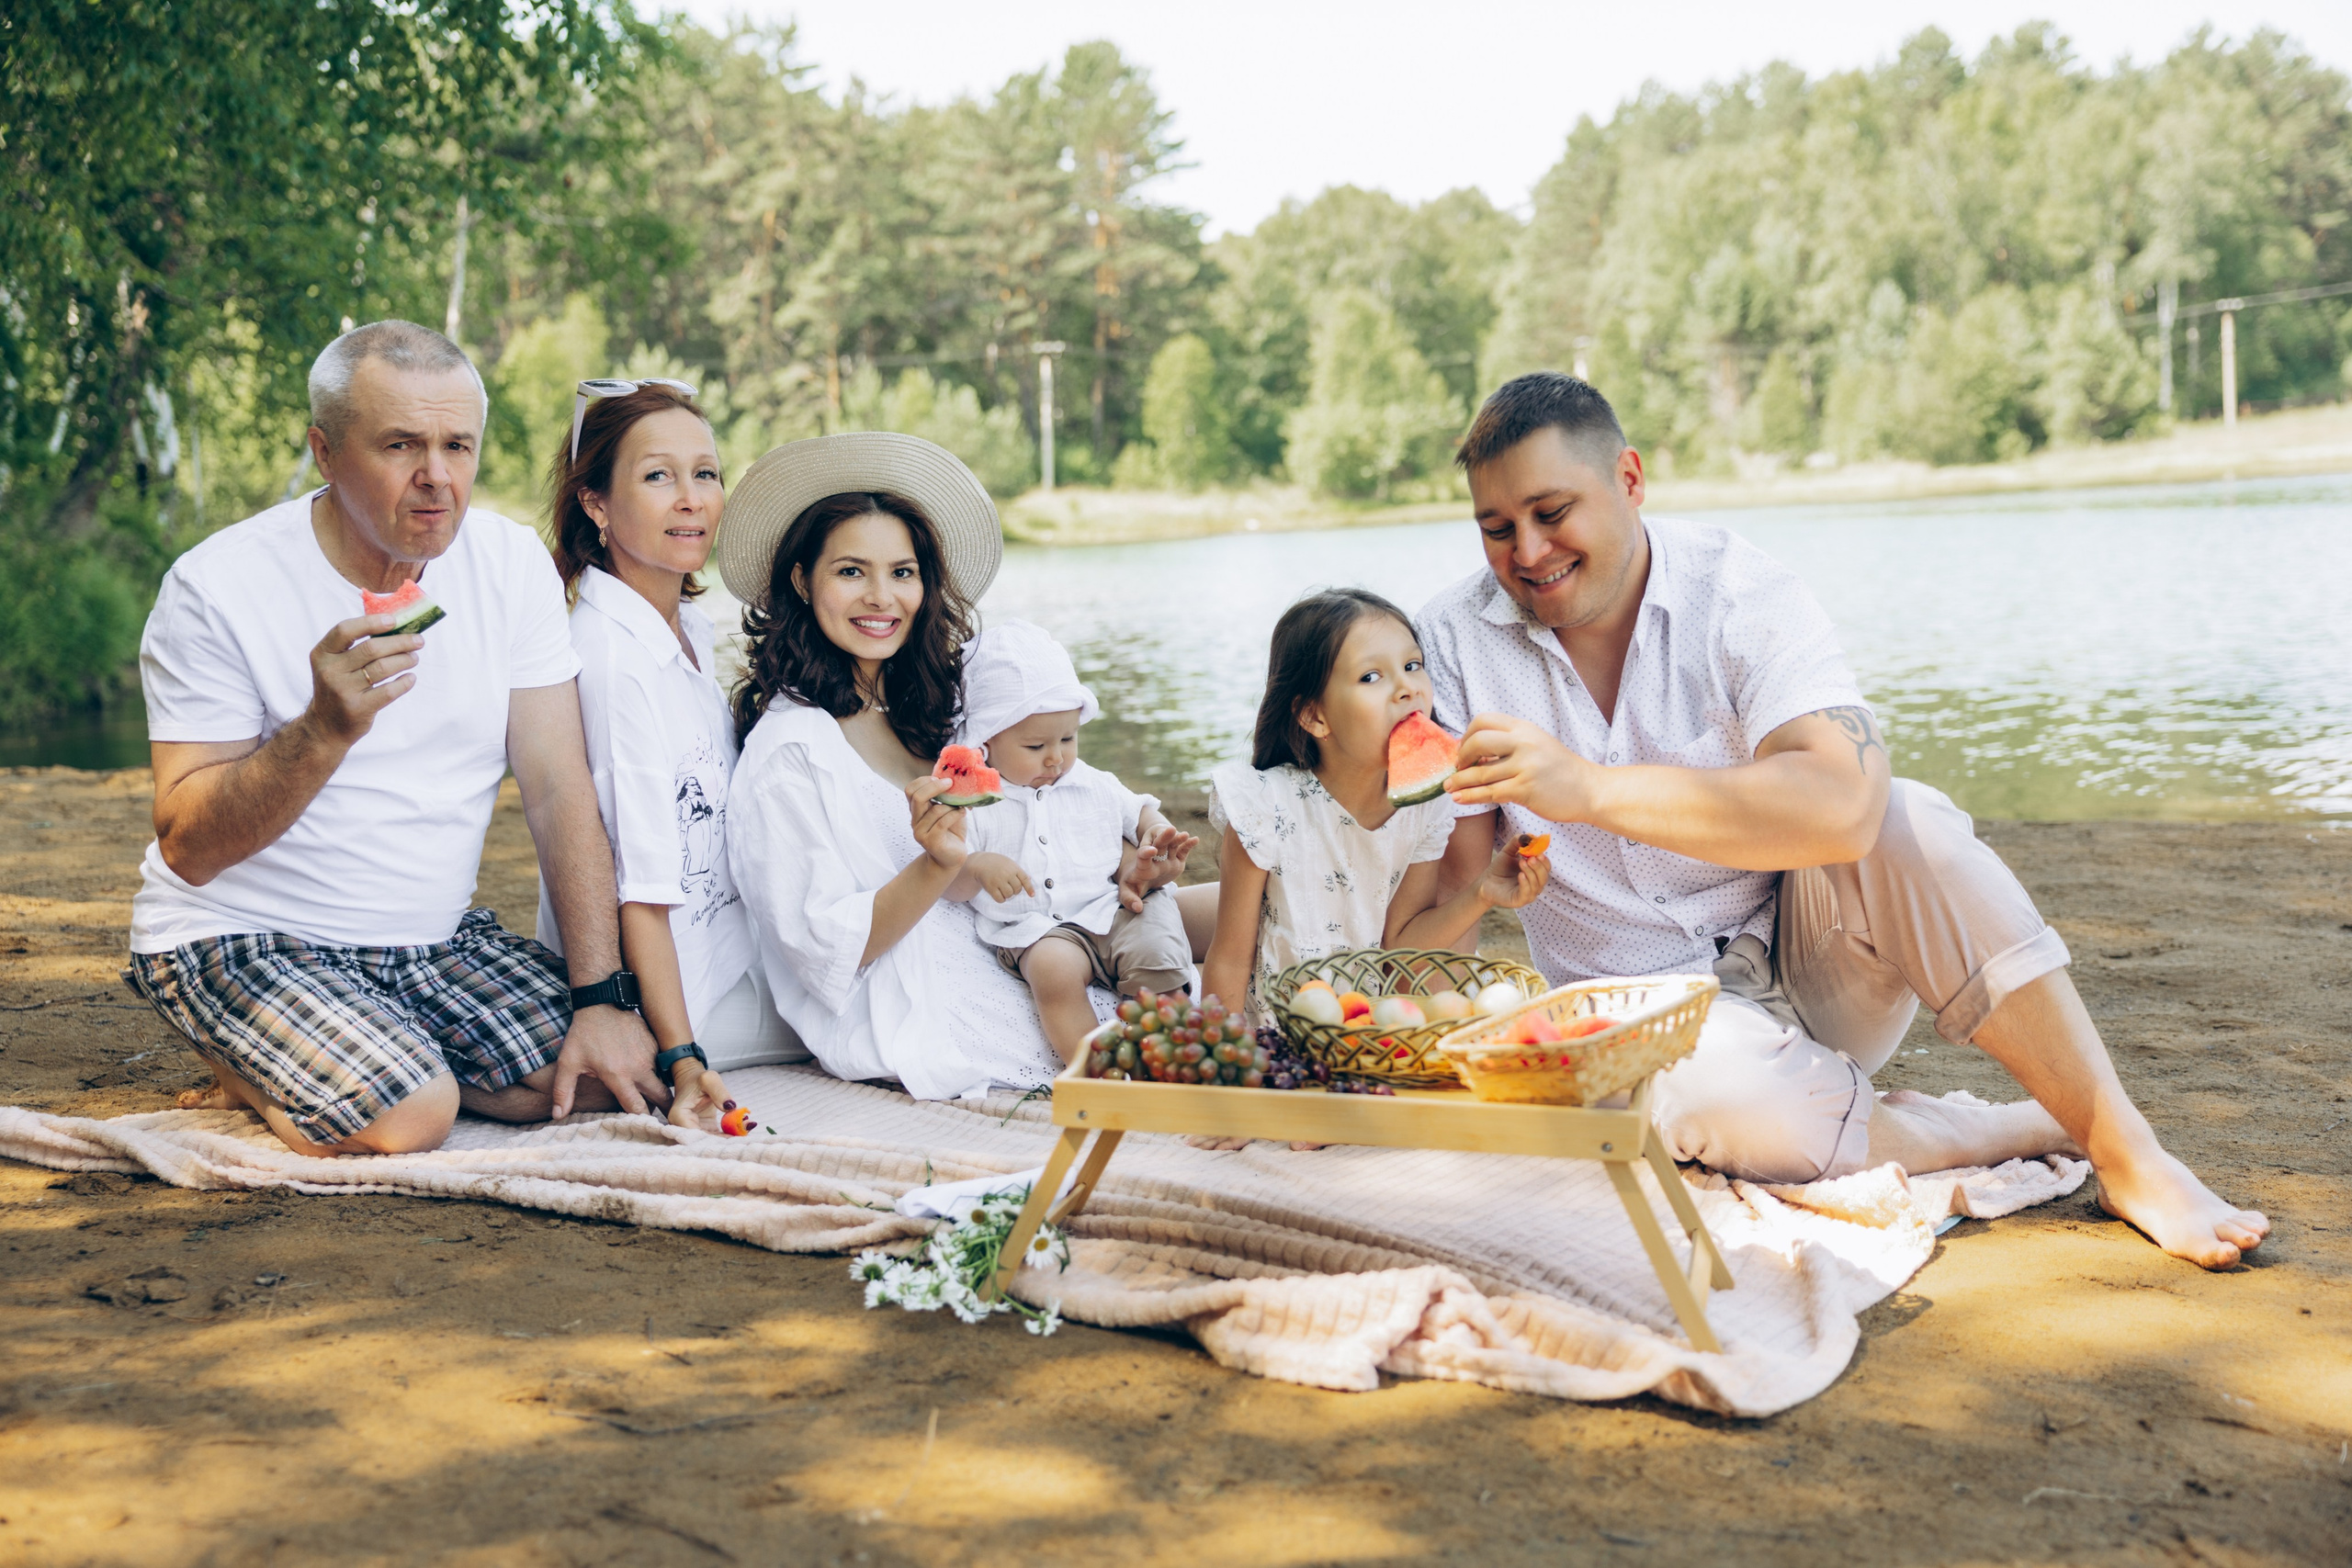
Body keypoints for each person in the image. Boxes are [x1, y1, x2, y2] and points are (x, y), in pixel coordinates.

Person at [1419, 371, 2268, 1269]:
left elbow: (1843, 805)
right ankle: (1959, 1132)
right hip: (1640, 1024)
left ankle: (2123, 1150)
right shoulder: (1447, 643)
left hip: (1814, 969)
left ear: (1629, 480)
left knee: (1910, 817)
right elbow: (1453, 886)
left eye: (1553, 511)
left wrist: (1585, 789)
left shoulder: (1738, 592)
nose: (1528, 550)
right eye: (1495, 527)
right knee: (1720, 1091)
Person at [124, 321, 663, 1156]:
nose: (436, 479)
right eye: (400, 445)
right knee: (416, 1112)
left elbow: (558, 788)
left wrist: (598, 994)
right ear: (326, 452)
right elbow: (189, 847)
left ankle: (379, 1038)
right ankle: (244, 1053)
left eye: (458, 445)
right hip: (241, 931)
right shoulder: (216, 586)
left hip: (431, 938)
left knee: (608, 1072)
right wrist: (320, 732)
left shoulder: (510, 562)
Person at [717, 433, 1202, 1099]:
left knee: (1245, 902)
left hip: (1045, 915)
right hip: (931, 990)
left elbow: (1042, 810)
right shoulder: (790, 753)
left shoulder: (933, 709)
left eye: (903, 572)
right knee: (1191, 973)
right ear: (803, 580)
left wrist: (1134, 857)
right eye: (851, 571)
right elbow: (827, 949)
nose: (882, 597)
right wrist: (938, 861)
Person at [540, 376, 808, 1131]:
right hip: (691, 991)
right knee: (884, 1008)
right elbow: (640, 889)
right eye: (658, 476)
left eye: (706, 473)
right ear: (595, 502)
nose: (691, 498)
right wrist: (682, 1054)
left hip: (733, 947)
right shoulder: (616, 663)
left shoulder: (689, 627)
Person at [1201, 589, 1549, 1027]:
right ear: (1314, 717)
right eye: (1371, 677)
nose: (1406, 688)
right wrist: (1226, 1067)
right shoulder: (1264, 806)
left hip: (1365, 1037)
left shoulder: (1425, 806)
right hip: (1275, 1038)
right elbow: (1230, 961)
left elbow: (1400, 947)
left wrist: (1482, 893)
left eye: (1412, 666)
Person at [952, 619, 1199, 1064]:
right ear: (985, 740)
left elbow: (1139, 810)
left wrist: (1155, 832)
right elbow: (949, 880)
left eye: (1068, 738)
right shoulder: (977, 800)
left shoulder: (1093, 783)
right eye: (1035, 746)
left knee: (1157, 946)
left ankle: (1175, 1053)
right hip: (1036, 931)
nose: (1056, 756)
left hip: (1114, 908)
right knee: (1053, 971)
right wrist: (977, 867)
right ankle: (1095, 1069)